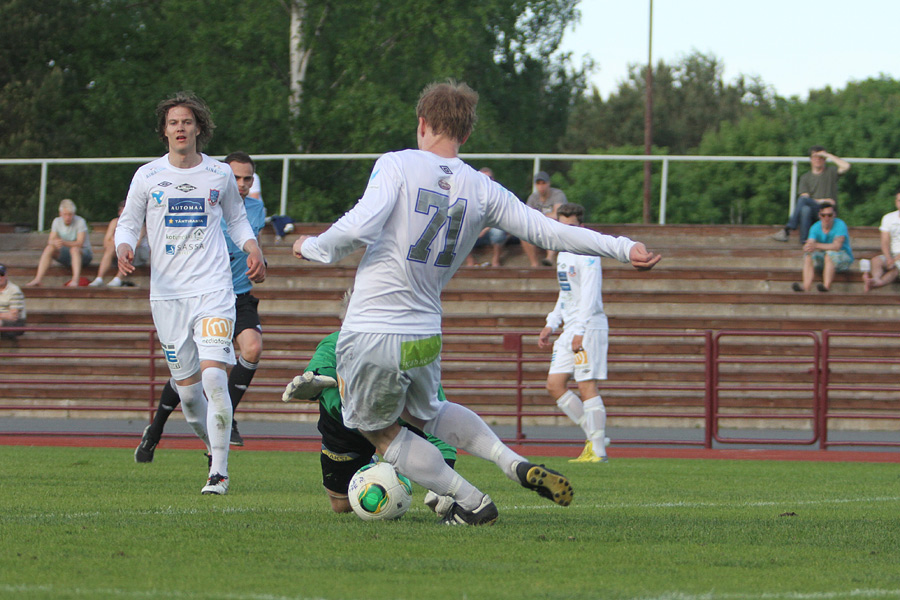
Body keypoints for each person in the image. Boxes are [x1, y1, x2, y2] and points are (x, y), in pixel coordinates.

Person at [293, 80, 660, 526]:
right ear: (466, 135)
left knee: (376, 430)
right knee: (426, 412)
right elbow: (552, 233)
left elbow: (361, 223)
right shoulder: (481, 188)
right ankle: (512, 463)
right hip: (426, 332)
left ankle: (471, 499)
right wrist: (623, 247)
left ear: (422, 123)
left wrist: (314, 246)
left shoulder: (397, 164)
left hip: (373, 326)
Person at [116, 92, 266, 495]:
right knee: (190, 397)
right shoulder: (147, 176)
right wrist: (123, 247)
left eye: (186, 122)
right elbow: (128, 223)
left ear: (199, 127)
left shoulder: (219, 174)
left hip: (213, 290)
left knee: (216, 378)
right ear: (164, 131)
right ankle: (211, 445)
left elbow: (236, 220)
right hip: (167, 297)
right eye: (173, 123)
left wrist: (253, 248)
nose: (180, 128)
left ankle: (218, 472)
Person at [134, 151, 267, 459]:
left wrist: (258, 260)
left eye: (248, 179)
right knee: (192, 375)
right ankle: (156, 428)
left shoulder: (256, 209)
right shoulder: (208, 199)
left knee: (251, 349)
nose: (242, 184)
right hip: (203, 294)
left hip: (238, 295)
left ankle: (226, 419)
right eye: (236, 178)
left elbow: (248, 240)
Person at [282, 320, 459, 516]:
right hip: (344, 425)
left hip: (400, 420)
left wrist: (445, 483)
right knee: (341, 506)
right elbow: (319, 370)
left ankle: (470, 501)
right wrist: (315, 382)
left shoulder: (411, 355)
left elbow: (439, 423)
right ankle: (370, 465)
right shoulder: (334, 344)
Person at [537, 203, 611, 464]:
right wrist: (552, 323)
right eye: (562, 225)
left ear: (581, 226)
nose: (566, 230)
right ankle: (595, 435)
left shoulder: (588, 252)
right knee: (554, 385)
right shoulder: (563, 253)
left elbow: (590, 295)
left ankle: (598, 450)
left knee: (586, 385)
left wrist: (580, 330)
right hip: (570, 328)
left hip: (588, 327)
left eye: (571, 226)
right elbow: (566, 293)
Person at [773, 146, 850, 244]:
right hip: (814, 210)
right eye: (815, 157)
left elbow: (846, 166)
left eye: (821, 157)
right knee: (805, 208)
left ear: (825, 159)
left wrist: (828, 154)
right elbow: (804, 198)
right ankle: (804, 242)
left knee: (805, 206)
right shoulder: (805, 177)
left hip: (828, 211)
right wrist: (823, 200)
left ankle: (788, 229)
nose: (818, 159)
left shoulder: (831, 172)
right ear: (810, 159)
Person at [25, 198, 93, 287]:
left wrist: (63, 242)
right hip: (66, 254)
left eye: (70, 215)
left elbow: (80, 243)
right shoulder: (56, 221)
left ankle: (75, 280)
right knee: (50, 248)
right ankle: (38, 279)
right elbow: (50, 240)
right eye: (65, 214)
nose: (68, 217)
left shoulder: (80, 221)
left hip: (83, 254)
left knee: (74, 249)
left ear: (74, 214)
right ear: (60, 214)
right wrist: (55, 243)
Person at [792, 204, 852, 292]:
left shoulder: (840, 225)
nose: (826, 218)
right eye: (823, 215)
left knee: (829, 254)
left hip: (842, 257)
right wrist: (808, 247)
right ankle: (806, 287)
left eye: (829, 215)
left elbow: (837, 246)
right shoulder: (815, 227)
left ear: (834, 215)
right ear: (819, 215)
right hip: (824, 258)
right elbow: (810, 242)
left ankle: (826, 286)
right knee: (808, 255)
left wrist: (816, 245)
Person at [89, 201, 149, 287]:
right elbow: (106, 242)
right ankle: (99, 278)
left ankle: (118, 278)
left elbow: (137, 243)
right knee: (110, 248)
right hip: (118, 253)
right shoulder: (114, 222)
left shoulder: (139, 224)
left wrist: (120, 243)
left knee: (129, 250)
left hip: (138, 255)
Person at [464, 168, 509, 267]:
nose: (485, 180)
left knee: (498, 231)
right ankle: (470, 261)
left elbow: (499, 218)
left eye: (488, 178)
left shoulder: (500, 195)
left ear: (493, 179)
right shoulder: (469, 195)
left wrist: (483, 230)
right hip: (474, 231)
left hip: (490, 230)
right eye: (482, 177)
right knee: (459, 230)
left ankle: (495, 260)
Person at [522, 171, 568, 267]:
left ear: (548, 184)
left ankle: (550, 258)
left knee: (552, 226)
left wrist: (539, 216)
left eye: (543, 183)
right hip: (538, 226)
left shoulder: (558, 194)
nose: (541, 187)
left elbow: (557, 214)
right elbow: (527, 215)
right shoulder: (533, 197)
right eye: (538, 184)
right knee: (523, 233)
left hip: (556, 226)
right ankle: (534, 264)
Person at [863, 191, 900, 292]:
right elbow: (885, 241)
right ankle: (875, 279)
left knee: (896, 268)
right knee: (876, 260)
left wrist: (895, 260)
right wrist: (888, 258)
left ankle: (877, 283)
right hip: (892, 253)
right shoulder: (888, 218)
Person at [0, 264, 26, 340]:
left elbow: (13, 316)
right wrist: (4, 315)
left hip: (15, 324)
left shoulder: (14, 290)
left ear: (6, 275)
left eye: (1, 275)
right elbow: (8, 315)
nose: (0, 278)